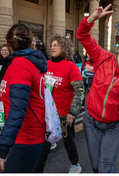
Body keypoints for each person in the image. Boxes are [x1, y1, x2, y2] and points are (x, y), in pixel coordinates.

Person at [74, 4, 119, 173]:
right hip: (91, 121)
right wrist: (91, 19)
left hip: (115, 125)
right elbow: (81, 35)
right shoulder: (103, 57)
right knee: (97, 166)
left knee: (106, 166)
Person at [0, 24, 48, 173]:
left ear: (8, 44)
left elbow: (18, 109)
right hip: (25, 136)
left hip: (25, 138)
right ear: (30, 42)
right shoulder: (24, 63)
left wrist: (2, 149)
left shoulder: (20, 65)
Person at [33, 35, 85, 173]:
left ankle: (75, 164)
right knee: (44, 146)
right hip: (45, 115)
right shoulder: (46, 64)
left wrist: (72, 112)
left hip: (63, 115)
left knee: (68, 142)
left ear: (65, 47)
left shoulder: (71, 67)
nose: (52, 47)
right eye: (52, 45)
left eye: (56, 45)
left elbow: (80, 91)